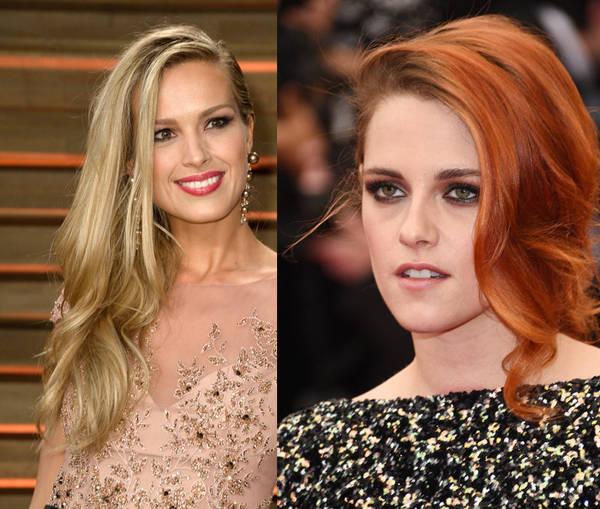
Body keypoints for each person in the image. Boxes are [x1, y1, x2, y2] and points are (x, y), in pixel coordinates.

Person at [277, 15, 600, 508]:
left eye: (462, 192)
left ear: (542, 202)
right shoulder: (309, 457)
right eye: (387, 189)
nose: (413, 230)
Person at [28, 25, 276, 509]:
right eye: (163, 134)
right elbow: (49, 483)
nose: (197, 155)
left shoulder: (295, 303)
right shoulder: (96, 296)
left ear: (248, 131)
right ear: (129, 160)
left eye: (215, 123)